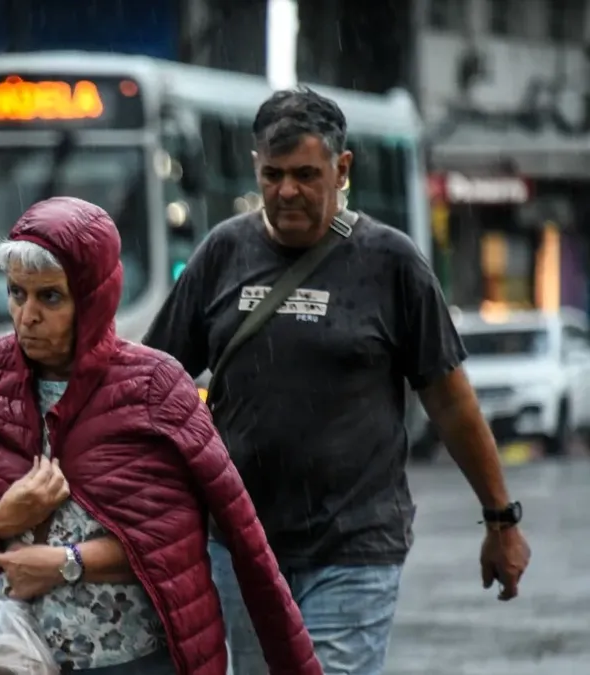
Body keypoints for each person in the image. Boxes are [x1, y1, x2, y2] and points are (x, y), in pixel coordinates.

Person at [0, 196, 322, 675]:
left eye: (50, 296)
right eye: (16, 293)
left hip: (127, 660)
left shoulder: (153, 388)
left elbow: (179, 544)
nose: (28, 316)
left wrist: (68, 562)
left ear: (92, 296)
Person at [143, 89, 532, 675]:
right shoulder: (223, 253)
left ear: (341, 168)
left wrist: (501, 521)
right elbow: (151, 381)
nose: (287, 191)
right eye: (272, 174)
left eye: (305, 174)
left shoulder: (390, 263)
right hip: (240, 548)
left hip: (355, 549)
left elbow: (452, 405)